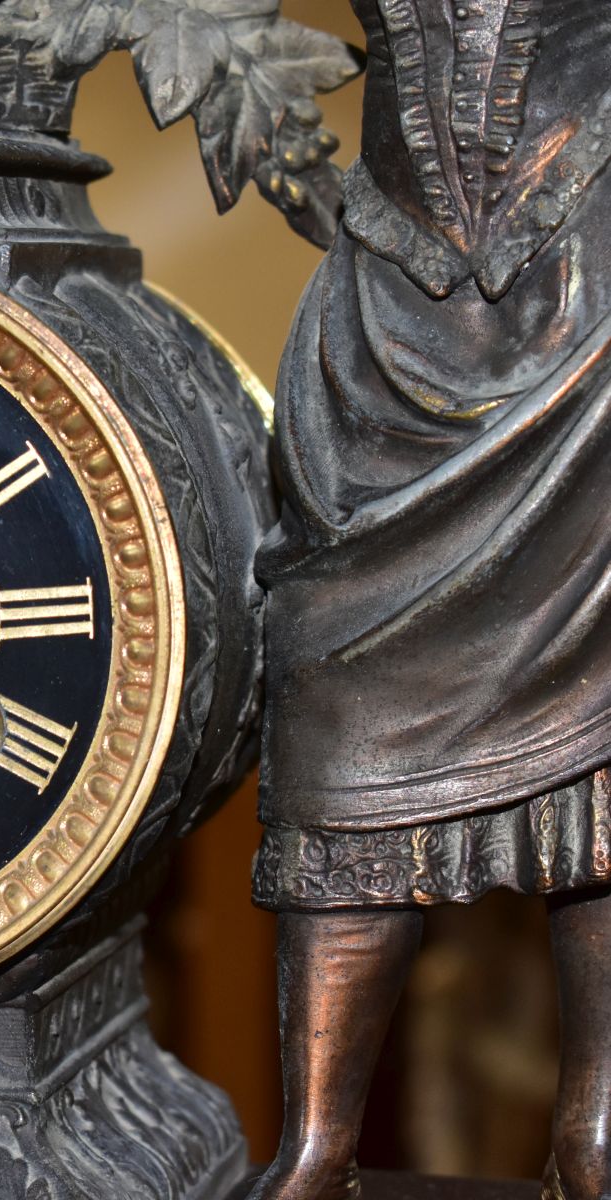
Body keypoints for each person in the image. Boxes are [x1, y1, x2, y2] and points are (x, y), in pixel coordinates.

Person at [248, 2, 611, 1197]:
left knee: (600, 737)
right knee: (330, 700)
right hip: (381, 328)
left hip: (592, 304)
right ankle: (319, 1141)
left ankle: (590, 1134)